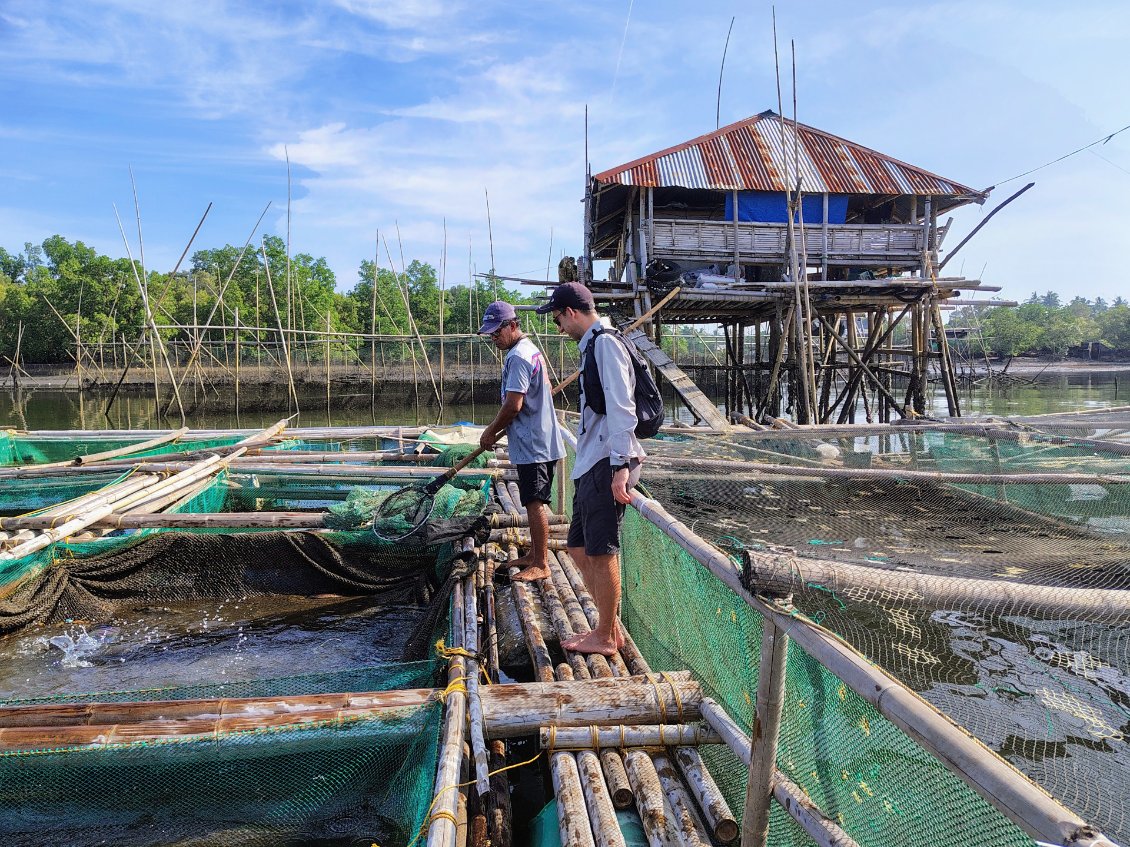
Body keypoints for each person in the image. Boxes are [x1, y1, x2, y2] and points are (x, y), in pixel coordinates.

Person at [535, 282, 644, 656]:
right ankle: (608, 626)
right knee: (578, 548)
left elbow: (622, 407)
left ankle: (605, 635)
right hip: (590, 459)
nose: (558, 328)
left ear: (571, 312)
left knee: (602, 552)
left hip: (606, 460)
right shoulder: (592, 346)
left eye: (557, 320)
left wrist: (620, 467)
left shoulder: (606, 344)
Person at [478, 299, 566, 582]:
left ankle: (541, 562)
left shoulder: (517, 356)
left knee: (534, 500)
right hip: (536, 437)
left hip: (534, 442)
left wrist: (491, 431)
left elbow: (514, 404)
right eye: (490, 333)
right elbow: (546, 388)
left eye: (496, 332)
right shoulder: (529, 351)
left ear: (512, 325)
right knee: (532, 499)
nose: (493, 337)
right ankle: (534, 555)